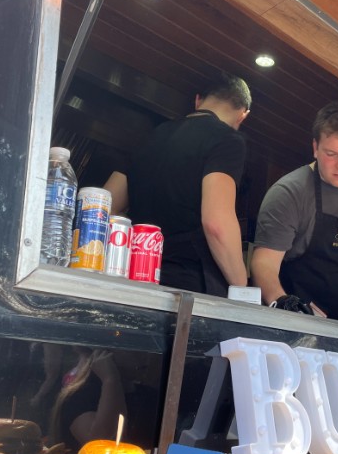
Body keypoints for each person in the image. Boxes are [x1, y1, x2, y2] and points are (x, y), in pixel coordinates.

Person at [105, 72, 251, 297]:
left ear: (198, 100)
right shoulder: (228, 140)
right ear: (242, 115)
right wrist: (242, 288)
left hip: (136, 276)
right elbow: (216, 223)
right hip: (189, 287)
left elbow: (107, 205)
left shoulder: (150, 136)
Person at [250, 100, 338, 323]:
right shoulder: (289, 192)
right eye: (331, 154)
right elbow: (263, 263)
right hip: (298, 318)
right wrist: (282, 301)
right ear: (315, 148)